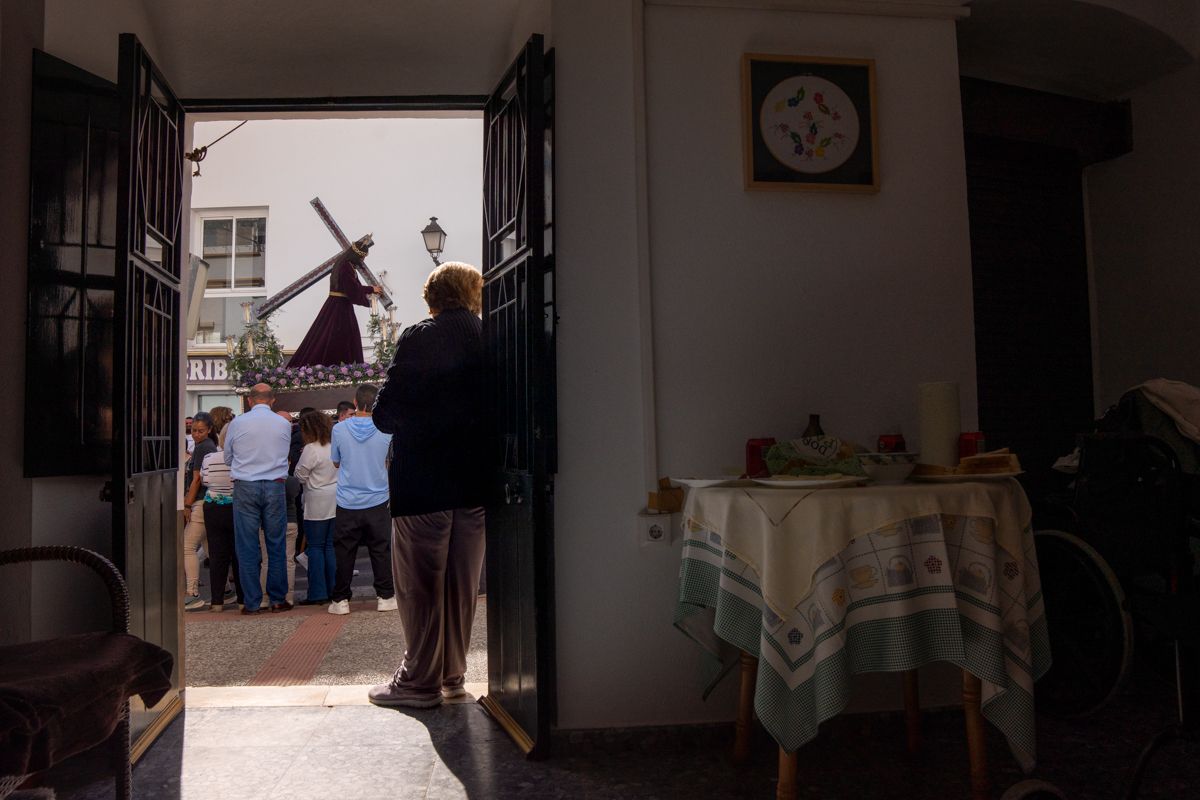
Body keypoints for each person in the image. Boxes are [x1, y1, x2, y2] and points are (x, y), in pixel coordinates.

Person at [368, 262, 487, 708]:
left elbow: (385, 412)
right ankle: (453, 677)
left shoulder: (422, 335)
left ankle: (417, 683)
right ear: (473, 294)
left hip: (423, 481)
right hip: (475, 483)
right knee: (461, 589)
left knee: (420, 588)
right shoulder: (489, 335)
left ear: (432, 297)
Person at [327, 383, 396, 616]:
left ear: (355, 403)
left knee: (344, 552)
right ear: (377, 403)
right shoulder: (387, 430)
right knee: (381, 549)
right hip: (378, 498)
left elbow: (336, 461)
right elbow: (390, 461)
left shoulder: (339, 429)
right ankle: (385, 596)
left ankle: (341, 600)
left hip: (348, 500)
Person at [224, 383, 292, 614]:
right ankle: (277, 599)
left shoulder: (237, 423)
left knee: (247, 545)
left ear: (250, 400)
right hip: (274, 485)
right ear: (273, 400)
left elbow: (228, 457)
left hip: (245, 486)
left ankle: (252, 602)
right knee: (276, 543)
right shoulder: (284, 423)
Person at [287, 236, 382, 368]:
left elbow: (353, 287)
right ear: (357, 256)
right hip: (339, 309)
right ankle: (340, 368)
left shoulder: (344, 264)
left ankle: (343, 367)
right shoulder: (346, 267)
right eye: (363, 257)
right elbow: (352, 289)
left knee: (331, 336)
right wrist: (371, 289)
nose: (363, 260)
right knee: (337, 337)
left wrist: (369, 292)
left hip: (338, 305)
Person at [295, 411, 337, 604]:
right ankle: (334, 589)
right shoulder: (333, 445)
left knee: (316, 547)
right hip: (335, 498)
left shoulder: (311, 449)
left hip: (316, 500)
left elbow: (300, 475)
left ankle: (318, 592)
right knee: (330, 546)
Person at [201, 420, 242, 612]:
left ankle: (217, 601)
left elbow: (205, 480)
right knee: (239, 554)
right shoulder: (241, 458)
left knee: (217, 555)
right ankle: (243, 597)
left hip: (214, 507)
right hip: (236, 507)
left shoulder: (209, 457)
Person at [182, 412, 217, 611]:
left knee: (187, 546)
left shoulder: (202, 447)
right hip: (208, 501)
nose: (195, 434)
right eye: (194, 430)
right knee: (210, 547)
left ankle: (192, 592)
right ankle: (226, 590)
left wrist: (187, 504)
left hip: (200, 502)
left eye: (200, 430)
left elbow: (196, 479)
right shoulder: (208, 446)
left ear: (209, 429)